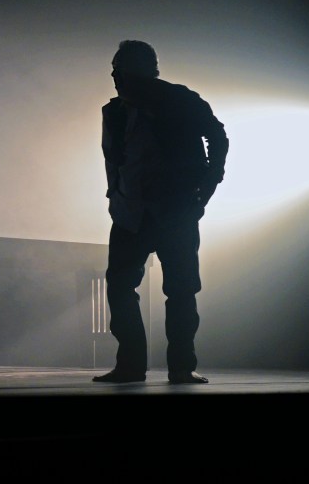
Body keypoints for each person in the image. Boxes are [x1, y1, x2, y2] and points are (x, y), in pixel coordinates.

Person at [94, 40, 228, 385]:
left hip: (174, 210)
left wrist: (207, 186)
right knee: (123, 287)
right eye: (115, 69)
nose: (114, 76)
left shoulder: (180, 100)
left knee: (179, 290)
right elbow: (115, 158)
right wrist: (115, 196)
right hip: (131, 211)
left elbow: (217, 136)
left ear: (139, 70)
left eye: (119, 69)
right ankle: (135, 366)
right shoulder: (115, 111)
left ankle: (176, 367)